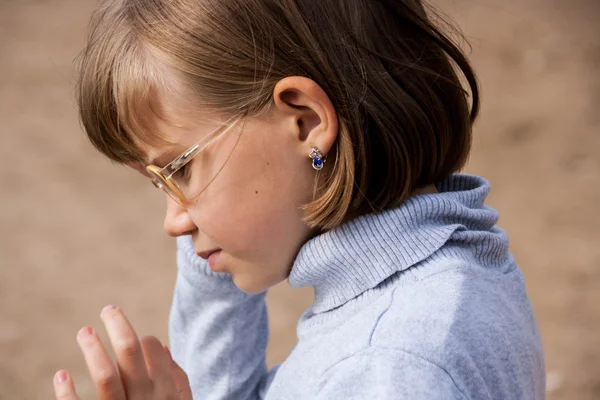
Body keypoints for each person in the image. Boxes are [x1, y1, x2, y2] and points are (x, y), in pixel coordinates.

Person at [53, 0, 546, 399]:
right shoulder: (448, 271)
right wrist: (211, 219)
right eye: (159, 183)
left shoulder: (385, 370)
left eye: (179, 168)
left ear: (306, 122)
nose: (173, 223)